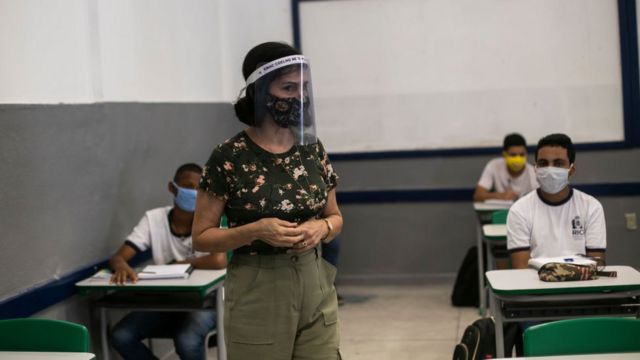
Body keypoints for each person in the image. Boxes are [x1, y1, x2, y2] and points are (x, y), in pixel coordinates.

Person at [192, 42, 343, 359]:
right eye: (288, 88)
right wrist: (256, 230)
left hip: (314, 280)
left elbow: (335, 216)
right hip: (258, 285)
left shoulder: (312, 149)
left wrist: (323, 228)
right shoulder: (229, 157)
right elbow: (202, 237)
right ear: (260, 91)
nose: (299, 97)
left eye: (303, 87)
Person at [109, 163, 227, 360]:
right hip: (167, 301)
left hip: (208, 303)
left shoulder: (210, 220)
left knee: (186, 340)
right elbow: (119, 257)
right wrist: (121, 266)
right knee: (122, 335)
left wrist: (181, 264)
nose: (194, 193)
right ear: (173, 188)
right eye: (188, 186)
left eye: (200, 188)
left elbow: (218, 260)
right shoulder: (153, 219)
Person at [507, 133, 606, 269]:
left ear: (571, 170)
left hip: (581, 286)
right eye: (543, 163)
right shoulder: (519, 210)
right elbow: (521, 267)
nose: (550, 169)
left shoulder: (591, 207)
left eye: (558, 163)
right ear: (535, 169)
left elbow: (597, 264)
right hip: (535, 287)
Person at [473, 133, 538, 202]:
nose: (518, 159)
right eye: (513, 155)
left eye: (522, 155)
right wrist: (500, 196)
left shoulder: (533, 173)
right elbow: (478, 196)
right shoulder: (494, 166)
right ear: (504, 155)